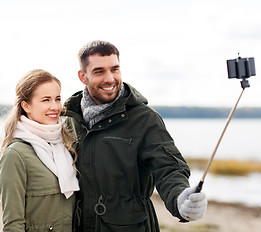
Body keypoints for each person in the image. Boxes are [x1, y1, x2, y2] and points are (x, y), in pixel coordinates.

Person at [63, 40, 207, 232]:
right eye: (99, 71)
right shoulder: (70, 119)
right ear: (83, 76)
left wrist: (180, 198)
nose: (110, 78)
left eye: (115, 69)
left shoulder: (145, 119)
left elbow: (169, 167)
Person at [0, 69, 79, 231]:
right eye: (46, 100)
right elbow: (13, 224)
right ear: (26, 106)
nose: (55, 107)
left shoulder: (66, 147)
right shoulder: (15, 155)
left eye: (57, 99)